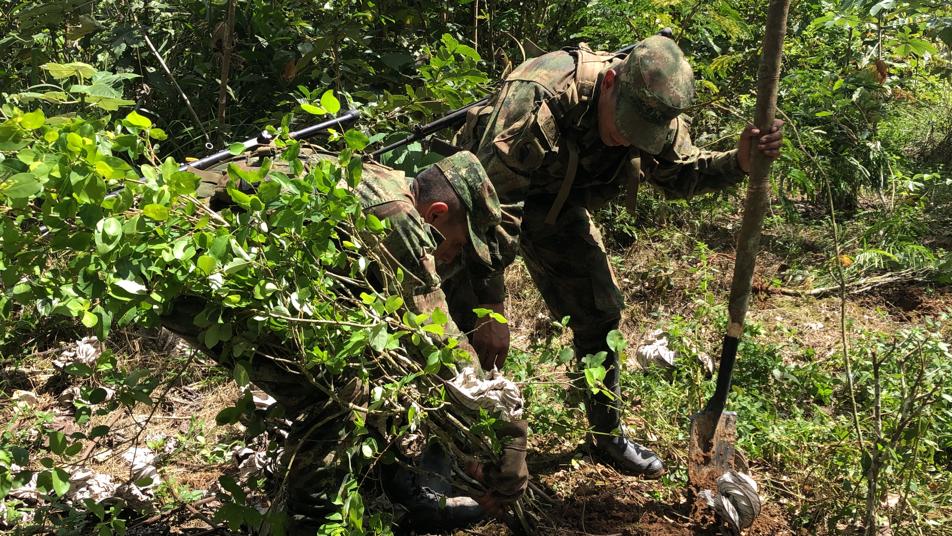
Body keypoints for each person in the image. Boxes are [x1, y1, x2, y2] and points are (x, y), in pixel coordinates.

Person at [449, 34, 784, 478]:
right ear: (609, 82)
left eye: (640, 136)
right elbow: (491, 206)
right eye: (624, 127)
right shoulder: (539, 97)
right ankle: (450, 448)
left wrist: (737, 162)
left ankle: (606, 435)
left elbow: (678, 174)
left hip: (553, 204)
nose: (628, 140)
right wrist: (490, 306)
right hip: (471, 204)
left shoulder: (656, 116)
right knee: (463, 327)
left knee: (599, 310)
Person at [166, 150, 528, 531]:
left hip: (212, 255)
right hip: (187, 264)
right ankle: (315, 523)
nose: (450, 256)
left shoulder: (385, 180)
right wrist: (508, 430)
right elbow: (437, 340)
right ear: (435, 214)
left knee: (374, 361)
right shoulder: (397, 216)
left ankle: (393, 488)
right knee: (339, 389)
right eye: (455, 244)